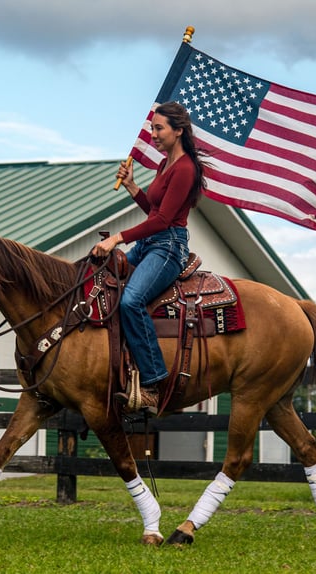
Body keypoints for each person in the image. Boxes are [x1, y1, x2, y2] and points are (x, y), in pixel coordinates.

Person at [91, 101, 207, 412]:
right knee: (102, 284)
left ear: (178, 131)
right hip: (151, 242)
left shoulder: (185, 169)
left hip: (169, 247)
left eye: (159, 128)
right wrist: (131, 186)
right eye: (153, 128)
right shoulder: (165, 164)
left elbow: (163, 221)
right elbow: (154, 211)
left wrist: (117, 238)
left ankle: (155, 381)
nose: (153, 134)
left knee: (131, 300)